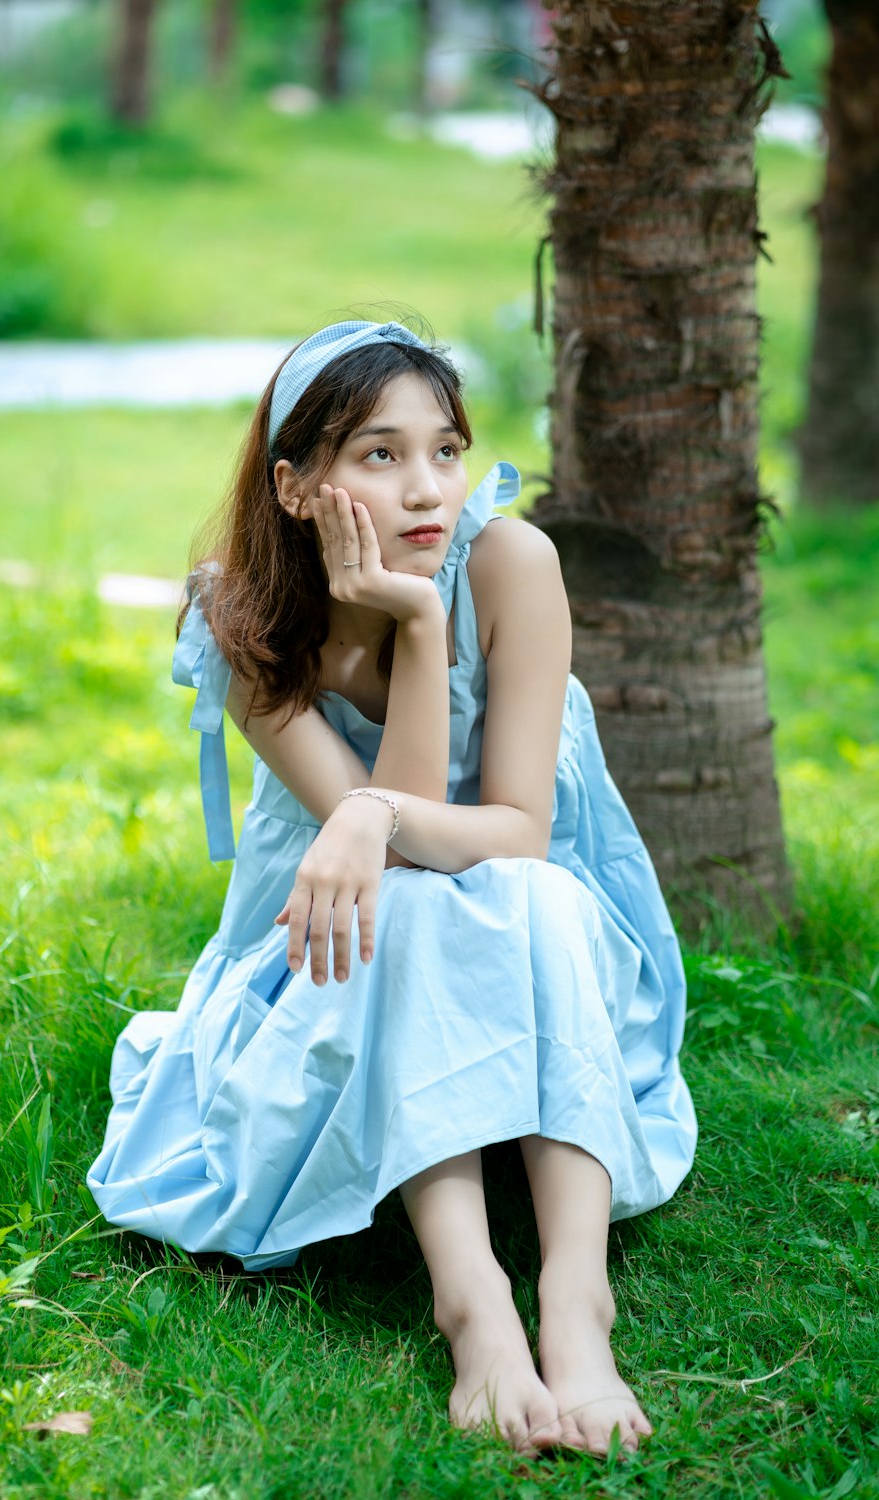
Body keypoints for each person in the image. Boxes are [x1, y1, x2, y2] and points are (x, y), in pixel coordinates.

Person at [87, 319, 698, 1459]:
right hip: (330, 955)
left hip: (535, 934)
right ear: (295, 483)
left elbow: (516, 830)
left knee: (528, 890)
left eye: (445, 450)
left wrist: (375, 791)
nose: (426, 489)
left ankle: (575, 1298)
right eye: (377, 455)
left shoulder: (511, 566)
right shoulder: (245, 620)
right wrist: (417, 630)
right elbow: (403, 857)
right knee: (409, 902)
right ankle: (472, 1308)